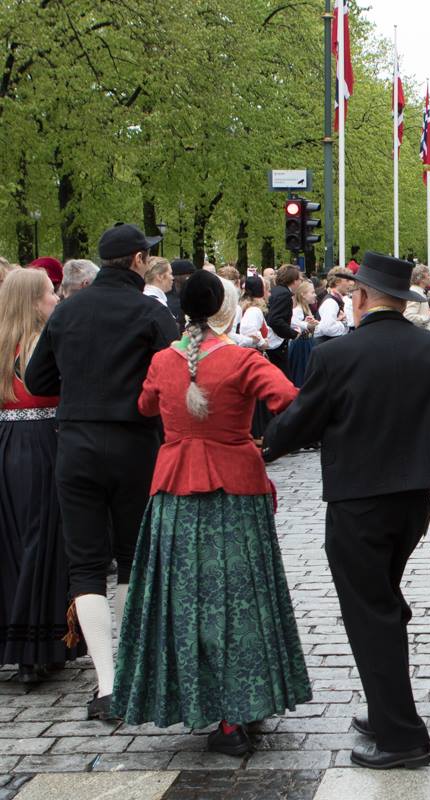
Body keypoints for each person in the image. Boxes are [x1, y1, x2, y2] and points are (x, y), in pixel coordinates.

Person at [263, 252, 430, 769]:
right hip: (414, 497)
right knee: (382, 600)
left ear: (360, 299)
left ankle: (403, 736)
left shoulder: (337, 355)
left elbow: (302, 422)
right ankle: (387, 710)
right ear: (403, 301)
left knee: (370, 610)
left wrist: (262, 446)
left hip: (358, 497)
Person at [112, 272, 312, 755]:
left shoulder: (163, 360)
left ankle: (203, 703)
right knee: (242, 598)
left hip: (175, 491)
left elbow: (144, 406)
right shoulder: (242, 359)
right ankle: (242, 705)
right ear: (225, 309)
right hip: (236, 489)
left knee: (185, 602)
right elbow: (288, 398)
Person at [23, 223, 177, 720]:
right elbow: (175, 378)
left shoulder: (67, 310)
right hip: (135, 443)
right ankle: (133, 674)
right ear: (136, 261)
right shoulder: (151, 312)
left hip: (77, 444)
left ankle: (107, 685)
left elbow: (38, 378)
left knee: (85, 564)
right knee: (133, 556)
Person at [0, 269, 85, 683]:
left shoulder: (2, 343)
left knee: (12, 542)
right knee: (43, 542)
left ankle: (21, 644)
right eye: (51, 293)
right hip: (43, 441)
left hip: (5, 441)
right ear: (35, 301)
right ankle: (40, 647)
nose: (56, 298)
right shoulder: (45, 344)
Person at [265, 265, 301, 372]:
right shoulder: (284, 294)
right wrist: (293, 334)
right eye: (299, 280)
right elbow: (275, 320)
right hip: (276, 345)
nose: (300, 283)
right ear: (294, 281)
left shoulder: (278, 291)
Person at [288, 280, 319, 387]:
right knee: (301, 375)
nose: (315, 295)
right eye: (312, 292)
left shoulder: (306, 309)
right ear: (303, 295)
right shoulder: (298, 310)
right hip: (301, 347)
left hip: (307, 344)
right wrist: (306, 325)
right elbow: (292, 322)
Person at [314, 268, 354, 345]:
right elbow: (327, 328)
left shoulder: (335, 299)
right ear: (337, 282)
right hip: (325, 347)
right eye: (347, 280)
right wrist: (345, 324)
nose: (351, 283)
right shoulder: (330, 302)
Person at [403, 264, 430, 331]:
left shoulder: (418, 292)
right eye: (428, 275)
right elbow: (408, 316)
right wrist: (428, 318)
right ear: (421, 279)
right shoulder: (415, 293)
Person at [166, 259, 196, 331]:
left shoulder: (194, 296)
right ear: (177, 276)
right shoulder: (165, 300)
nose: (192, 276)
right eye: (189, 273)